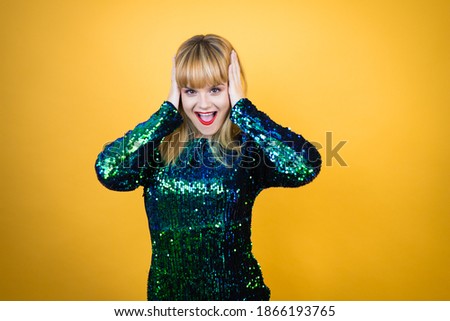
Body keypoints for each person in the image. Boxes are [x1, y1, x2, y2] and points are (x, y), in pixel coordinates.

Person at [95, 34, 321, 300]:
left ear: (233, 87)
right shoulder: (155, 148)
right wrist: (166, 111)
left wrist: (244, 109)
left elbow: (305, 166)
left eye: (215, 89)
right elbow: (109, 172)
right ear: (178, 92)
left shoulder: (247, 149)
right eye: (191, 91)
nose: (203, 104)